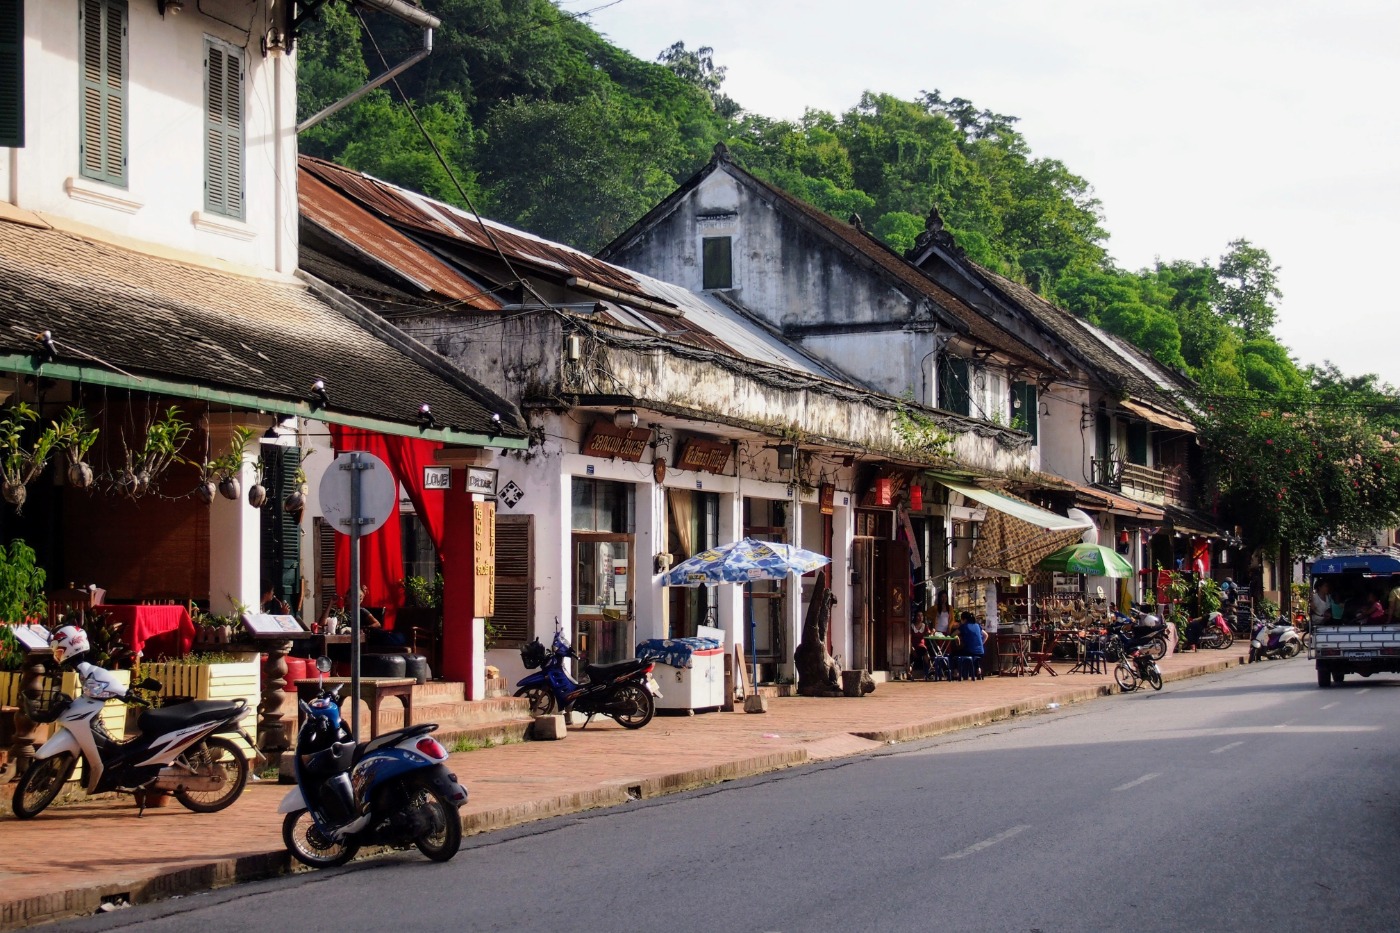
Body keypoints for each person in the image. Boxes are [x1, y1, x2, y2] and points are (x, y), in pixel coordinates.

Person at [957, 611, 985, 679]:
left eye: (961, 619)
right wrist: (981, 643)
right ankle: (978, 670)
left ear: (964, 620)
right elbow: (986, 635)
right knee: (975, 656)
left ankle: (958, 673)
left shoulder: (964, 626)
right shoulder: (977, 625)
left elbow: (953, 634)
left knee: (956, 653)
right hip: (981, 651)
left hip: (969, 651)